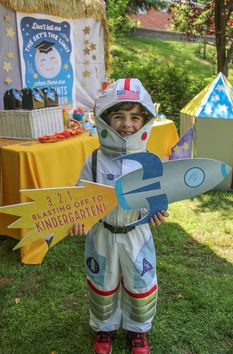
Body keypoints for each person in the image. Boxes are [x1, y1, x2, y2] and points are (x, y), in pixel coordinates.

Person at [70, 78, 169, 354]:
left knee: (141, 286)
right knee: (103, 285)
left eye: (135, 117)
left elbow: (157, 199)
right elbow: (80, 198)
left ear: (145, 120)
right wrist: (78, 219)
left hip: (136, 235)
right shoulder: (93, 160)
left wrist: (158, 212)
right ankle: (104, 328)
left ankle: (139, 331)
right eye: (119, 116)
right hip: (102, 235)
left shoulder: (150, 161)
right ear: (104, 119)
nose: (128, 124)